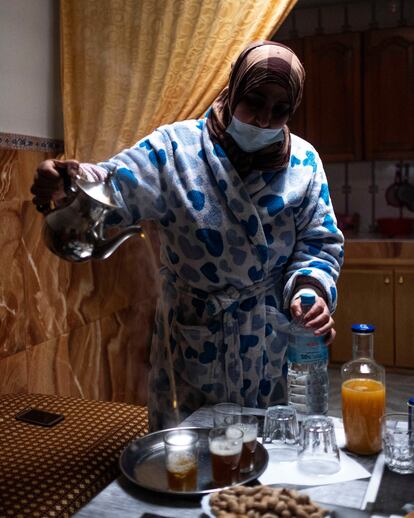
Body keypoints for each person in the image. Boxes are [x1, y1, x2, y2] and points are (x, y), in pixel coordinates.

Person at [31, 40, 344, 431]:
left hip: (268, 339)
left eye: (280, 110)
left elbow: (319, 242)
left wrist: (308, 295)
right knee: (186, 456)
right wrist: (67, 181)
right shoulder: (175, 149)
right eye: (254, 100)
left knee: (268, 464)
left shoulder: (304, 162)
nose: (264, 120)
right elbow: (115, 184)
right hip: (194, 334)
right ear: (232, 91)